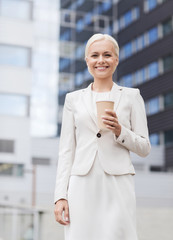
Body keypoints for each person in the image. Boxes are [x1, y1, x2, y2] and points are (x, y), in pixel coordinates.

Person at [54, 33, 151, 240]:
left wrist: (120, 131)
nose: (101, 60)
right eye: (95, 55)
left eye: (107, 55)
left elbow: (144, 147)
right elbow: (66, 151)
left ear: (116, 59)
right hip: (81, 183)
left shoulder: (132, 96)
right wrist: (60, 196)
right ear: (87, 60)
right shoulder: (73, 100)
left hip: (118, 182)